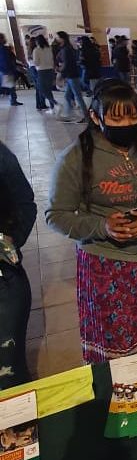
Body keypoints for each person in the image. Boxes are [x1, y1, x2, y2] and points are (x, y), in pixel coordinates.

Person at [45, 79, 137, 363]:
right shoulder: (76, 158)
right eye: (116, 119)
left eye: (133, 117)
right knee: (118, 351)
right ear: (96, 117)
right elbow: (56, 215)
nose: (127, 125)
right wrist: (102, 227)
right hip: (105, 266)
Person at [0, 141, 37, 389]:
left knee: (9, 376)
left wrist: (8, 240)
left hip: (4, 282)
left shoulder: (2, 157)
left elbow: (24, 204)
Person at [56, 31, 88, 122]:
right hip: (70, 75)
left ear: (62, 38)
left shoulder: (66, 49)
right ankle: (68, 115)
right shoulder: (66, 48)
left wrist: (60, 71)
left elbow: (66, 64)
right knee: (67, 96)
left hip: (71, 75)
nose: (56, 39)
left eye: (58, 37)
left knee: (77, 96)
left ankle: (86, 116)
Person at [33, 35, 59, 114]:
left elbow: (36, 63)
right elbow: (52, 59)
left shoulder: (36, 50)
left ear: (37, 42)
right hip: (50, 70)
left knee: (42, 89)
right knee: (48, 90)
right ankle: (52, 108)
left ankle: (55, 103)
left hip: (41, 71)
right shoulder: (49, 48)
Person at [0, 34, 23, 106]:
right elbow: (10, 59)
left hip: (3, 70)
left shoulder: (4, 49)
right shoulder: (4, 49)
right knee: (10, 87)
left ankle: (13, 100)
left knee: (10, 86)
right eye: (3, 38)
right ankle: (13, 100)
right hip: (7, 70)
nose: (5, 39)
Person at [26, 37, 47, 110]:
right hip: (36, 68)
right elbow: (37, 61)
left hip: (32, 69)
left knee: (38, 88)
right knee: (41, 87)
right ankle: (42, 104)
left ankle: (39, 104)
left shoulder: (29, 50)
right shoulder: (36, 50)